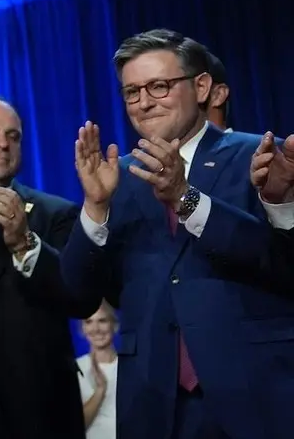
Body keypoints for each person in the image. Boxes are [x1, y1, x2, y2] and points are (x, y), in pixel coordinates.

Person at [64, 29, 294, 439]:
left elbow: (281, 262)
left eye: (159, 86)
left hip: (252, 395)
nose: (145, 102)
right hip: (154, 403)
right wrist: (95, 207)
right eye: (132, 92)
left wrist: (183, 197)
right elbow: (77, 295)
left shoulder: (255, 157)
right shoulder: (117, 176)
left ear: (202, 86)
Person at [0, 96, 97, 439]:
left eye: (13, 136)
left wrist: (24, 242)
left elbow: (78, 297)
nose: (2, 143)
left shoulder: (56, 213)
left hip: (37, 408)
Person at [76, 303, 119, 439]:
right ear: (83, 328)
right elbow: (72, 427)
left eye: (102, 321)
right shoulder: (76, 369)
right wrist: (100, 391)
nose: (95, 329)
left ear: (114, 325)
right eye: (88, 322)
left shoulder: (130, 367)